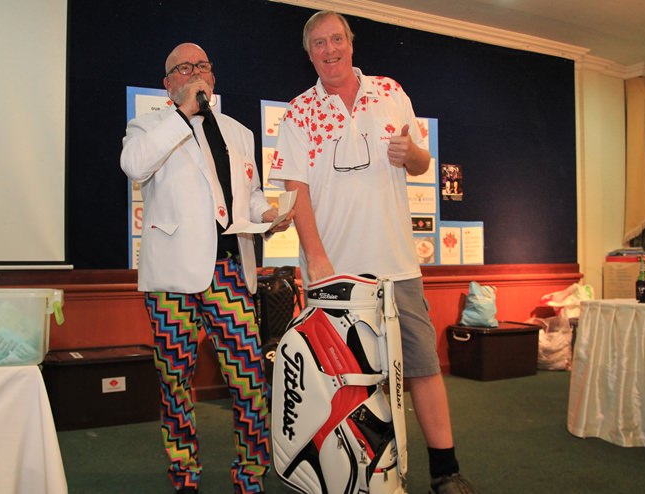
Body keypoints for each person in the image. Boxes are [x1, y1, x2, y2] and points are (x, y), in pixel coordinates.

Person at [268, 11, 476, 494]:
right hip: (335, 276)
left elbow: (420, 160)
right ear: (309, 54)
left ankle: (445, 471)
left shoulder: (390, 91)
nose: (330, 49)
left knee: (422, 367)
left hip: (397, 266)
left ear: (351, 42)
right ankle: (354, 473)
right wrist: (317, 261)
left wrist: (413, 156)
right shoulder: (298, 112)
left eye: (336, 39)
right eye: (319, 43)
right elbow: (296, 191)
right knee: (344, 380)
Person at [121, 42, 292, 494]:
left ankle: (251, 474)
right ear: (168, 84)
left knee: (250, 381)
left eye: (202, 66)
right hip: (171, 279)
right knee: (174, 383)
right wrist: (181, 113)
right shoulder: (147, 126)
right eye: (184, 68)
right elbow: (134, 166)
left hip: (230, 271)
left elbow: (249, 195)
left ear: (213, 77)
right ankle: (185, 475)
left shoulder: (239, 132)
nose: (196, 73)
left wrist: (268, 214)